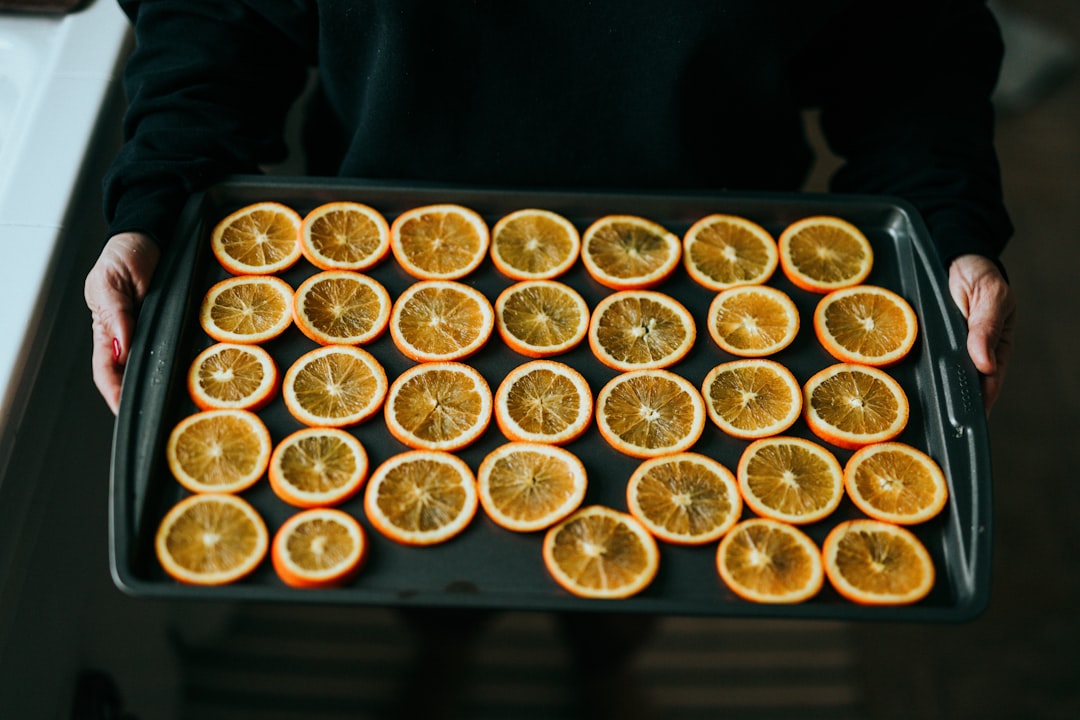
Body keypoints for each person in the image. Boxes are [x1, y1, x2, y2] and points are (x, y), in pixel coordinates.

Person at [85, 1, 1016, 418]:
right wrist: (157, 196)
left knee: (656, 528)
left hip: (712, 292)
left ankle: (607, 657)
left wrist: (944, 225)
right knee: (426, 527)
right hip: (388, 287)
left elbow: (911, 58)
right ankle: (443, 644)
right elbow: (217, 20)